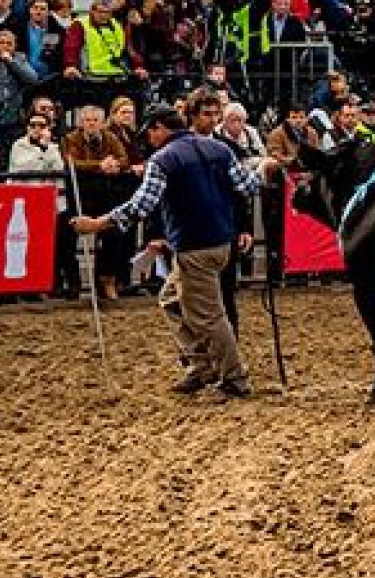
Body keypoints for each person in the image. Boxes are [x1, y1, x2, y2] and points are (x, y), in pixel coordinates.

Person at [71, 94, 267, 398]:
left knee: (209, 316)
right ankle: (201, 366)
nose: (148, 138)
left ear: (161, 128)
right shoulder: (220, 149)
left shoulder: (163, 160)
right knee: (172, 299)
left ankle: (234, 376)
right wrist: (264, 168)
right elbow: (247, 186)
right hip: (220, 242)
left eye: (150, 131)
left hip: (194, 246)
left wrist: (97, 223)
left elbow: (142, 205)